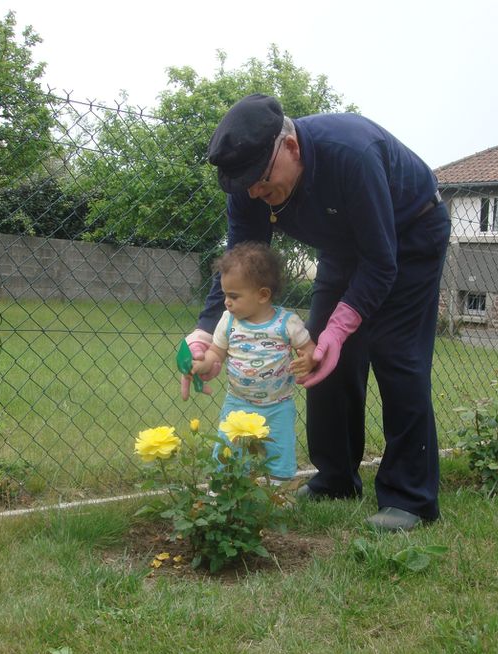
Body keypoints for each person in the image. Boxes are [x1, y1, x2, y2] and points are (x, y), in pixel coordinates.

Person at [182, 93, 451, 531]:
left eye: (262, 180)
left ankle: (411, 499)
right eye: (245, 184)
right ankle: (337, 478)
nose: (255, 192)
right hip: (344, 248)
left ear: (290, 148)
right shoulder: (249, 183)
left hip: (411, 234)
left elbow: (382, 263)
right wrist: (204, 333)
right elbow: (238, 261)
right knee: (315, 356)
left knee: (397, 355)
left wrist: (342, 327)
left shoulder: (350, 153)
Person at [189, 241, 317, 480]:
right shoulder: (228, 321)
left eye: (234, 296)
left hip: (278, 406)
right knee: (228, 454)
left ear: (262, 295)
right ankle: (226, 494)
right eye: (225, 295)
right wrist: (204, 363)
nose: (226, 302)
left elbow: (309, 349)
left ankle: (280, 498)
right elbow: (216, 352)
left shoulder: (287, 323)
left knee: (279, 455)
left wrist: (308, 361)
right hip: (238, 404)